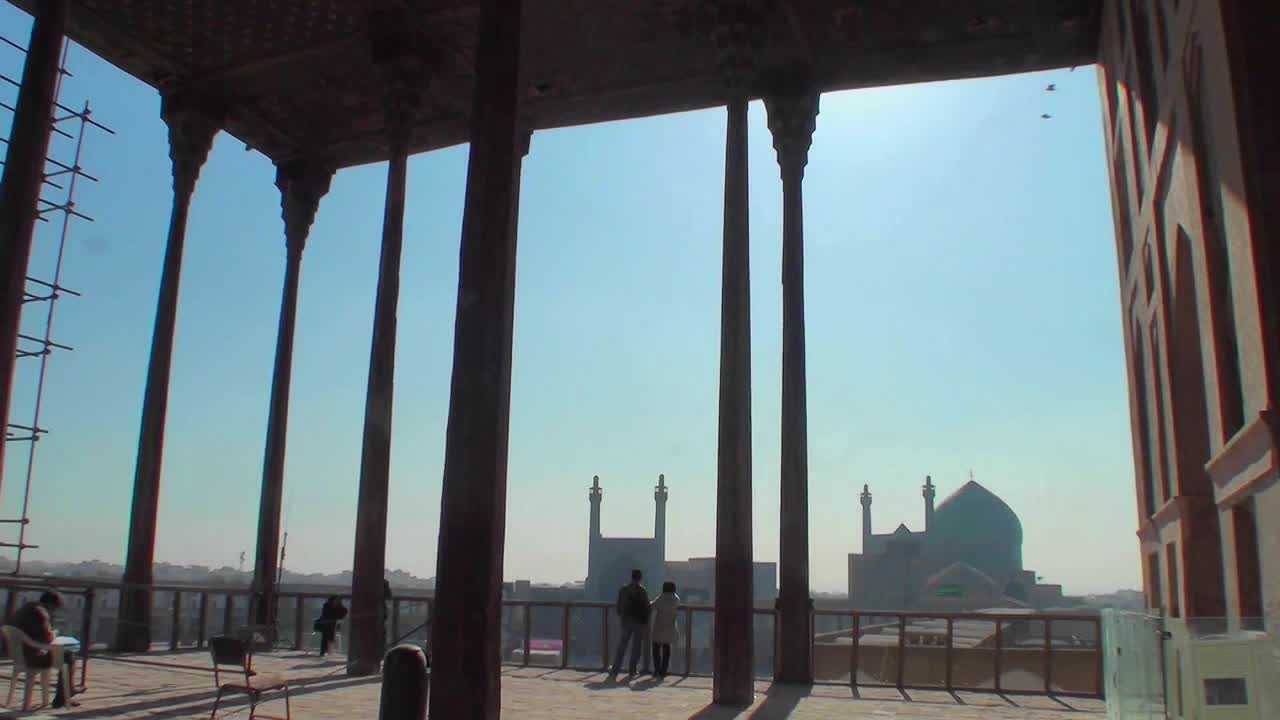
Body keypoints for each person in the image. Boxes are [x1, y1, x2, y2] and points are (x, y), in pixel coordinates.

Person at [11, 591, 77, 708]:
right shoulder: (41, 613)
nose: (54, 612)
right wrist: (53, 633)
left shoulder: (25, 608)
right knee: (68, 655)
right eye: (55, 608)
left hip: (18, 654)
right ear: (51, 604)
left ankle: (68, 691)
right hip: (32, 658)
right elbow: (47, 639)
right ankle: (63, 697)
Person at [609, 569, 649, 678]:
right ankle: (632, 670)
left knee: (622, 646)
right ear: (640, 578)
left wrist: (622, 616)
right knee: (636, 647)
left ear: (631, 577)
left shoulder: (624, 590)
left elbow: (618, 606)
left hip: (626, 621)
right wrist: (645, 621)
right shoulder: (642, 591)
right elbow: (646, 607)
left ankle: (615, 669)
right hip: (638, 623)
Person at [649, 581, 680, 678]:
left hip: (659, 625)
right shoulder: (676, 599)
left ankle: (657, 670)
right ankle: (664, 671)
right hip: (670, 625)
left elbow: (652, 606)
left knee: (656, 648)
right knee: (667, 649)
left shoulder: (661, 598)